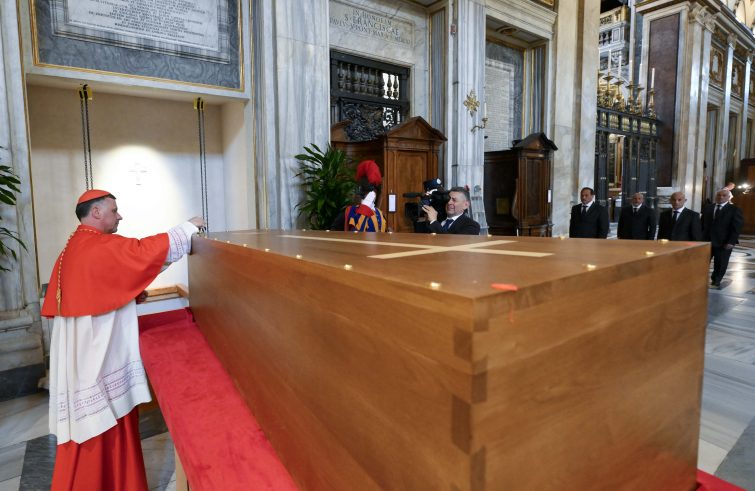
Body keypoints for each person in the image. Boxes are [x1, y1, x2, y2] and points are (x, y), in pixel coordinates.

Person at [40, 189, 204, 490]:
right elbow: (142, 253)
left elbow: (105, 285)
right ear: (96, 212)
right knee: (102, 423)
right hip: (96, 359)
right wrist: (187, 228)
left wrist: (128, 295)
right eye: (114, 210)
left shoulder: (76, 247)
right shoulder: (96, 246)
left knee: (97, 423)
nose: (120, 216)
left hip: (85, 356)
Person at [701, 188, 744, 287]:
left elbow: (736, 227)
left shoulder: (734, 209)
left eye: (724, 195)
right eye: (719, 195)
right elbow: (702, 224)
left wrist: (731, 242)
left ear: (728, 197)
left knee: (720, 263)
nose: (721, 197)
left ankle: (716, 280)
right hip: (706, 240)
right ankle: (701, 278)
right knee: (702, 261)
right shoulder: (708, 208)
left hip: (724, 242)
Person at [331, 160, 387, 232]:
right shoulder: (348, 212)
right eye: (370, 192)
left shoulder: (380, 215)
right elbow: (334, 232)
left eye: (374, 192)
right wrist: (365, 207)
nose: (372, 195)